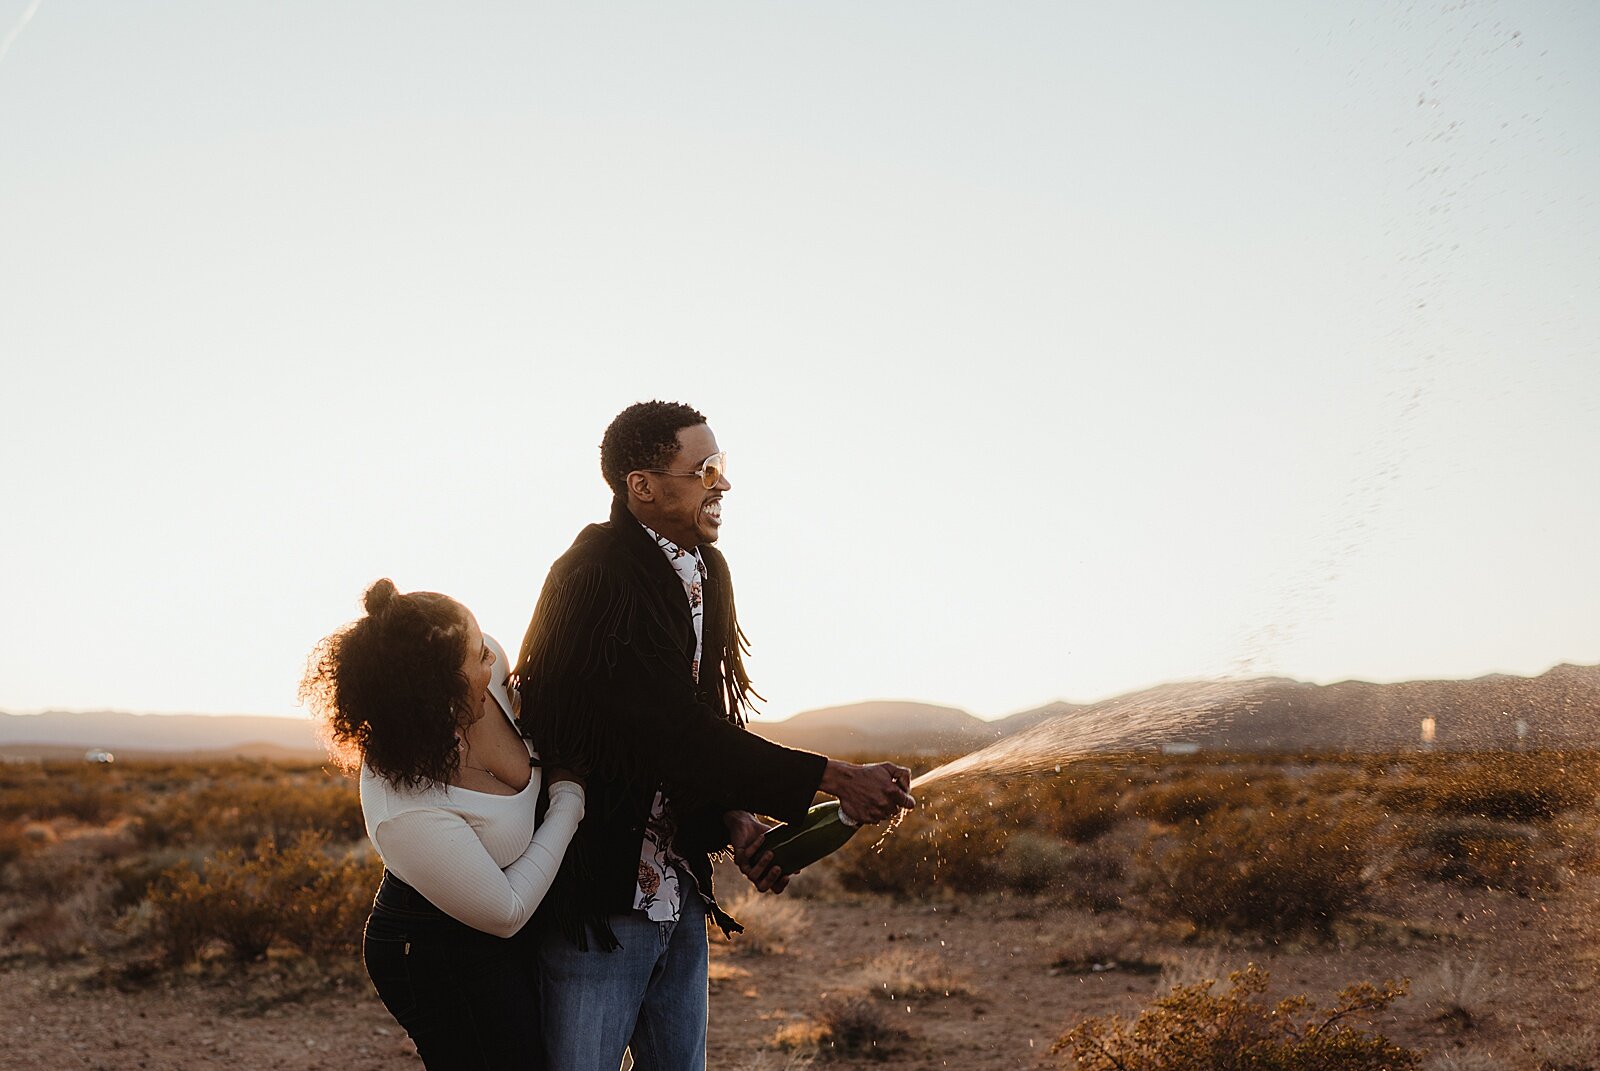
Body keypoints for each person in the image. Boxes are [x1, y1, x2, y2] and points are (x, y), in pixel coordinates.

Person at [514, 400, 916, 1071]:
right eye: (704, 468)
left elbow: (695, 719)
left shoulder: (705, 569)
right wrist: (838, 777)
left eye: (720, 466)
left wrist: (730, 815)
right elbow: (667, 726)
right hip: (599, 894)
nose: (722, 483)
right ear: (642, 484)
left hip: (676, 886)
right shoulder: (595, 573)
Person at [301, 579, 585, 1071]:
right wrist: (569, 797)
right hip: (432, 947)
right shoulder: (405, 806)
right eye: (476, 659)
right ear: (436, 689)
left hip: (499, 931)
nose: (492, 662)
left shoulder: (487, 668)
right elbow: (507, 911)